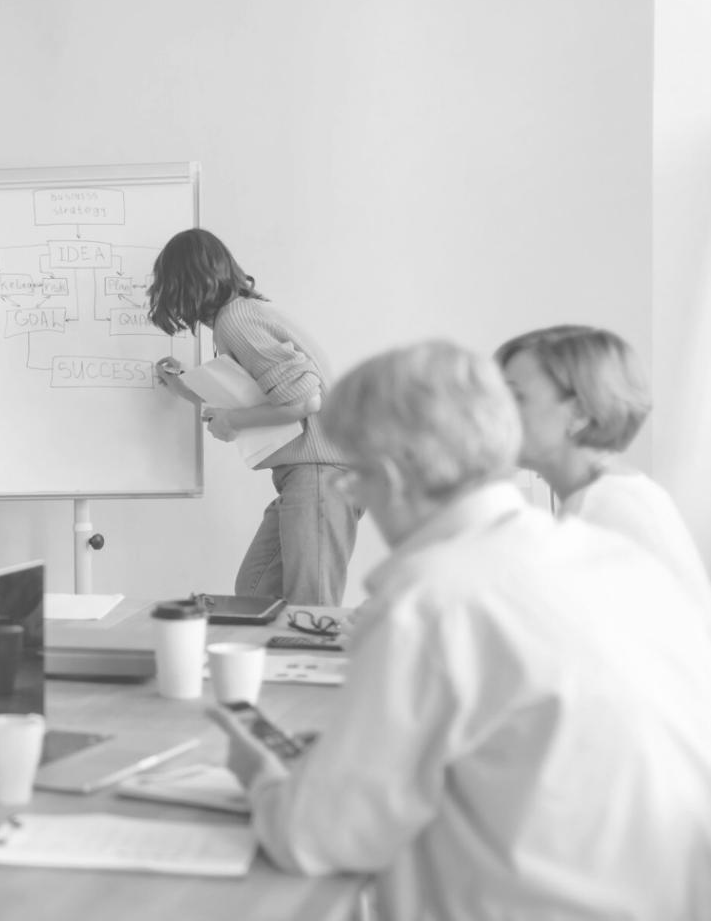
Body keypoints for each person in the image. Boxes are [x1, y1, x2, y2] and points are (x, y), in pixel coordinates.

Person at [208, 340, 711, 920]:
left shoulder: (429, 603)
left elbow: (320, 837)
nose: (351, 495)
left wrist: (263, 778)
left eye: (353, 479)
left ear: (392, 477)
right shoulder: (613, 560)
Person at [146, 228, 361, 607]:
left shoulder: (237, 320)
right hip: (312, 473)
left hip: (320, 472)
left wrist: (232, 422)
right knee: (256, 590)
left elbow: (305, 400)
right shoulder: (243, 316)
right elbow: (248, 393)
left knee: (312, 607)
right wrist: (180, 385)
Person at [496, 324, 711, 608]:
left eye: (516, 397)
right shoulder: (615, 494)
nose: (494, 411)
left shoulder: (602, 510)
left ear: (579, 413)